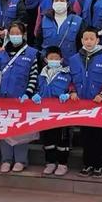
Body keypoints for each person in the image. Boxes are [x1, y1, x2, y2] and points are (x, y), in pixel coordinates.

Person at [0, 22, 39, 173]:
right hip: (4, 99)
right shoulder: (1, 53)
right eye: (12, 33)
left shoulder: (31, 53)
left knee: (20, 131)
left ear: (23, 34)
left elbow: (33, 76)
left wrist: (28, 93)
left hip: (21, 99)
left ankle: (21, 160)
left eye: (18, 33)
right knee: (5, 131)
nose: (15, 36)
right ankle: (6, 159)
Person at [69, 27, 102, 178]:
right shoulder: (74, 59)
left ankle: (99, 165)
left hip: (97, 104)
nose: (88, 41)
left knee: (97, 136)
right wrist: (72, 91)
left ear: (97, 40)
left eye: (91, 39)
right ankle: (87, 164)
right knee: (85, 136)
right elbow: (71, 80)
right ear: (82, 40)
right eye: (86, 39)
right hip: (81, 105)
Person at [32, 46, 72, 177]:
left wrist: (68, 94)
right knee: (48, 138)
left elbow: (73, 87)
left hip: (62, 112)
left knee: (62, 139)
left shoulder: (67, 74)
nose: (54, 60)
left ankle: (62, 163)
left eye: (56, 58)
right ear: (45, 59)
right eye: (51, 58)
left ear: (61, 59)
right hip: (46, 112)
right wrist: (36, 95)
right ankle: (50, 162)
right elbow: (37, 88)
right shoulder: (41, 75)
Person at [35, 0, 85, 64]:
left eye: (62, 0)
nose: (59, 2)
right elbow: (38, 41)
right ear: (52, 4)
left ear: (67, 4)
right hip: (47, 63)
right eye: (56, 0)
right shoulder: (45, 19)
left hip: (69, 64)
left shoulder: (78, 21)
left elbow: (81, 45)